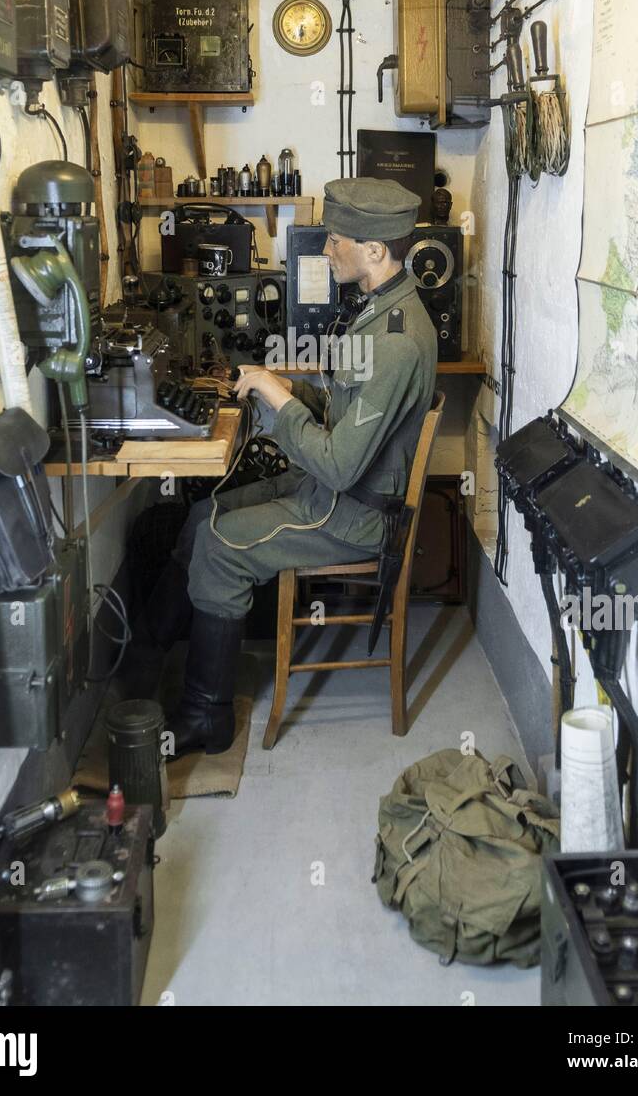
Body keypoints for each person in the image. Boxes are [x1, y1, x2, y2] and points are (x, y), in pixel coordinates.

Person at [160, 177, 438, 758]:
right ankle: (158, 660)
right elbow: (348, 409)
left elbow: (338, 466)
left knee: (217, 542)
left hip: (351, 512)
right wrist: (286, 387)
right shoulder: (386, 311)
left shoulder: (396, 341)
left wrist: (279, 400)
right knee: (205, 514)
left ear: (374, 251)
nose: (326, 250)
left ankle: (205, 716)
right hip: (347, 491)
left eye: (336, 240)